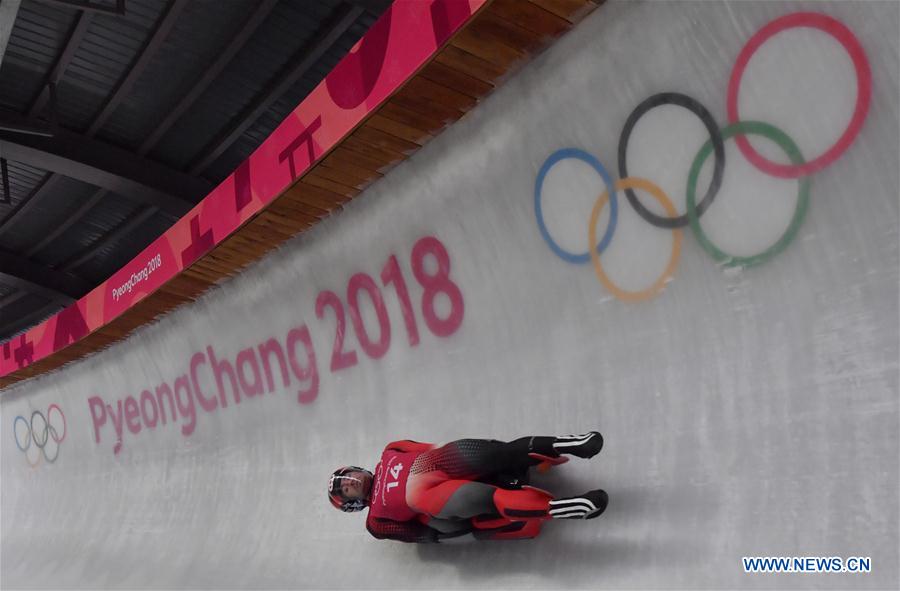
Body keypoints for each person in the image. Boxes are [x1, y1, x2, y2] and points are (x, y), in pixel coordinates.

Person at [328, 432, 607, 543]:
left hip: (442, 461)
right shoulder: (376, 521)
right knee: (488, 498)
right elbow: (421, 534)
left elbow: (428, 447)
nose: (353, 482)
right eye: (349, 489)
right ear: (352, 503)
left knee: (497, 453)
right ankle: (562, 507)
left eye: (349, 477)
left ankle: (568, 444)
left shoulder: (391, 450)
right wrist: (452, 529)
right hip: (431, 499)